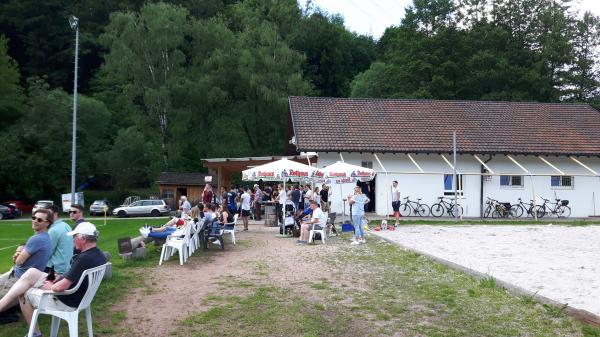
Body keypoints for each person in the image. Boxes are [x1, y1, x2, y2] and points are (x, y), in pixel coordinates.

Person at [0, 222, 107, 337]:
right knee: (32, 272)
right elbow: (74, 275)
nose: (73, 240)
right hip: (80, 297)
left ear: (83, 239)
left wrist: (50, 286)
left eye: (75, 237)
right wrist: (59, 277)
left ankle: (36, 334)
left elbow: (60, 287)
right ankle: (2, 305)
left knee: (24, 293)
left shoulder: (83, 258)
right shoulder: (98, 254)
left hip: (67, 300)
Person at [0, 209, 53, 305]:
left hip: (18, 278)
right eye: (33, 218)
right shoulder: (46, 237)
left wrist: (17, 255)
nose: (35, 221)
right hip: (24, 277)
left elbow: (18, 261)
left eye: (39, 220)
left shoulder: (36, 239)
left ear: (47, 223)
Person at [46, 205, 73, 277]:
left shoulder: (53, 230)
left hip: (57, 269)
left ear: (55, 214)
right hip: (67, 265)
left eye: (48, 213)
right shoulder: (65, 225)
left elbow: (48, 252)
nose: (46, 216)